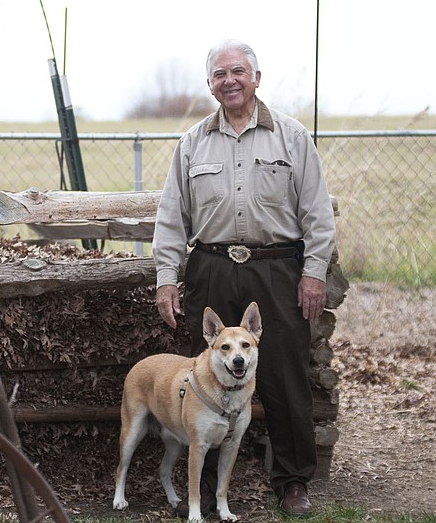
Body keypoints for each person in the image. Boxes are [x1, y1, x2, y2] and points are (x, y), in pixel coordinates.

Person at [152, 39, 336, 518]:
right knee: (207, 378)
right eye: (219, 74)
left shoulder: (292, 137)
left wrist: (313, 273)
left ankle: (293, 481)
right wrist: (166, 279)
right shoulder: (192, 143)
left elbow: (317, 213)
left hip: (276, 270)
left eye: (238, 71)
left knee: (284, 378)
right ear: (209, 84)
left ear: (256, 77)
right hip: (210, 268)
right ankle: (208, 488)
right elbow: (171, 217)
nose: (229, 81)